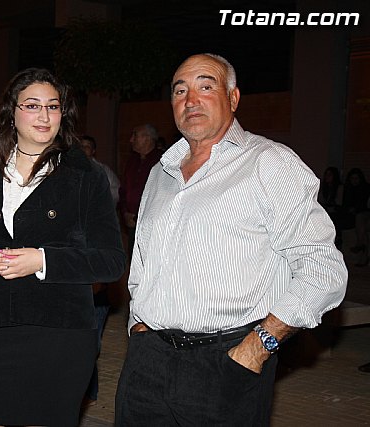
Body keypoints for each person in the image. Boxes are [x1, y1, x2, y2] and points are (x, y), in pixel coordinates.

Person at [115, 53, 348, 426]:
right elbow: (142, 263)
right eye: (180, 91)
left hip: (227, 363)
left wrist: (258, 347)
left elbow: (323, 270)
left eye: (206, 86)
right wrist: (138, 328)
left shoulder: (269, 163)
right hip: (148, 362)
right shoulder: (161, 172)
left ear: (233, 98)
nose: (191, 100)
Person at [0, 68, 125, 427]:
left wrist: (42, 260)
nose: (44, 116)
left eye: (53, 106)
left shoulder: (85, 176)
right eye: (32, 105)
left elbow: (111, 262)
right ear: (10, 113)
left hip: (59, 333)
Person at [79, 134, 120, 406]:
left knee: (90, 340)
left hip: (96, 286)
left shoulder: (103, 176)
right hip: (77, 280)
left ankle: (89, 391)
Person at [118, 123, 161, 256]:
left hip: (151, 226)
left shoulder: (161, 161)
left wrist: (138, 216)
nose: (131, 140)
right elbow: (123, 190)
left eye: (135, 135)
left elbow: (160, 195)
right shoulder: (132, 161)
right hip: (131, 223)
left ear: (147, 138)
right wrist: (125, 213)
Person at [318, 166, 343, 248]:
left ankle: (337, 238)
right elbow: (321, 201)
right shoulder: (324, 188)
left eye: (329, 175)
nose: (327, 177)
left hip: (336, 211)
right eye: (326, 174)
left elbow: (339, 203)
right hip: (325, 210)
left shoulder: (339, 188)